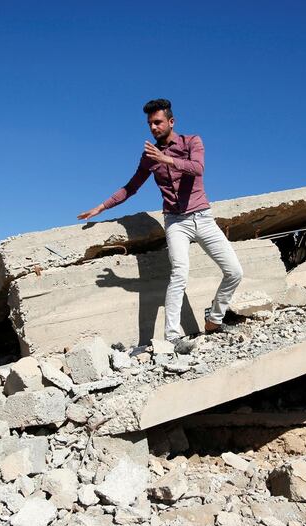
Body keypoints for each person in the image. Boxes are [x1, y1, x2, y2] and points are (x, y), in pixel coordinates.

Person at [78, 99, 243, 352]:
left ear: (171, 122)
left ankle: (214, 319)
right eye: (149, 124)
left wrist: (166, 159)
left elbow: (198, 169)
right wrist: (102, 207)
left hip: (202, 217)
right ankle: (173, 338)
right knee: (179, 273)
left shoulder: (191, 142)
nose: (153, 127)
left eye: (158, 122)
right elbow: (131, 187)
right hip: (175, 221)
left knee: (234, 271)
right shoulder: (149, 156)